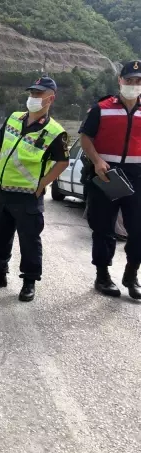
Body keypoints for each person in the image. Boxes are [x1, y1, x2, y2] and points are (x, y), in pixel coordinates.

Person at [0, 76, 70, 301]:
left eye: (38, 94)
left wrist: (42, 185)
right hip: (2, 191)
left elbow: (62, 162)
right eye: (32, 93)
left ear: (50, 98)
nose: (33, 98)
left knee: (29, 241)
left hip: (28, 196)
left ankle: (29, 282)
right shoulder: (14, 118)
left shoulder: (56, 132)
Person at [79, 60, 141, 300]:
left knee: (138, 230)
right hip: (106, 174)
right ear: (120, 81)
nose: (134, 85)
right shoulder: (101, 108)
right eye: (129, 80)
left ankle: (131, 274)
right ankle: (103, 275)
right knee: (103, 228)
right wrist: (96, 161)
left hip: (137, 177)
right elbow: (85, 138)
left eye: (138, 81)